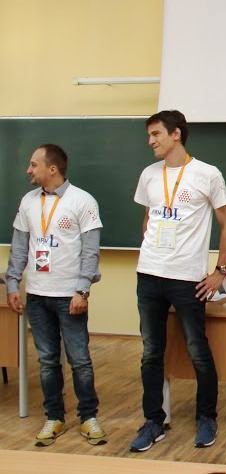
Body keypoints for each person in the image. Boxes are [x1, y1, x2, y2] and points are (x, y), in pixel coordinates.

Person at [129, 110, 226, 452]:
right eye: (148, 135)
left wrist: (220, 271)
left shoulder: (207, 173)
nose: (150, 141)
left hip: (187, 278)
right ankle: (153, 421)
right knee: (151, 352)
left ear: (176, 134)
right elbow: (148, 219)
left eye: (156, 134)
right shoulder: (149, 174)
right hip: (149, 275)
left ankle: (206, 418)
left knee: (197, 350)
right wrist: (152, 251)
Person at [6, 144, 105, 447]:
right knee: (47, 361)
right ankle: (54, 417)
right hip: (37, 296)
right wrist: (12, 284)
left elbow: (90, 251)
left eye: (33, 164)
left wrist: (82, 290)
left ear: (52, 169)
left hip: (69, 295)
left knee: (80, 360)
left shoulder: (83, 201)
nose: (28, 170)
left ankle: (88, 417)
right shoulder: (27, 201)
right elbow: (19, 247)